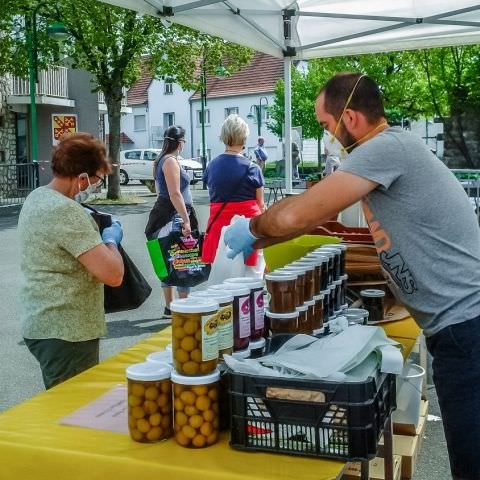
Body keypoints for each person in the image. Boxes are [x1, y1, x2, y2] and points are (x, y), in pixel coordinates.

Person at [224, 72, 480, 480]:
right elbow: (314, 217)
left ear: (351, 118)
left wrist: (253, 228)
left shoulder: (385, 148)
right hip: (459, 329)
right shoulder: (389, 149)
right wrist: (261, 240)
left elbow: (296, 213)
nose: (327, 136)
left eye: (326, 126)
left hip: (467, 331)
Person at [18, 133, 124, 390]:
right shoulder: (66, 211)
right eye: (98, 179)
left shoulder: (37, 197)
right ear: (82, 176)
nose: (95, 186)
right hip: (68, 332)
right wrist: (111, 241)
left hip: (44, 323)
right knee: (74, 415)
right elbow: (113, 274)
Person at [145, 126, 198, 317]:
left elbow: (160, 192)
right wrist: (186, 220)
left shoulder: (160, 160)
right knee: (182, 259)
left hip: (164, 215)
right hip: (174, 217)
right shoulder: (170, 162)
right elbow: (175, 194)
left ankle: (170, 306)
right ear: (180, 142)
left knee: (168, 259)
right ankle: (182, 307)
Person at [202, 114, 265, 275]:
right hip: (249, 233)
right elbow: (261, 204)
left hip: (219, 231)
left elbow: (214, 194)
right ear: (244, 139)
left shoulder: (211, 167)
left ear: (223, 137)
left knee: (222, 283)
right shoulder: (253, 168)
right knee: (251, 284)